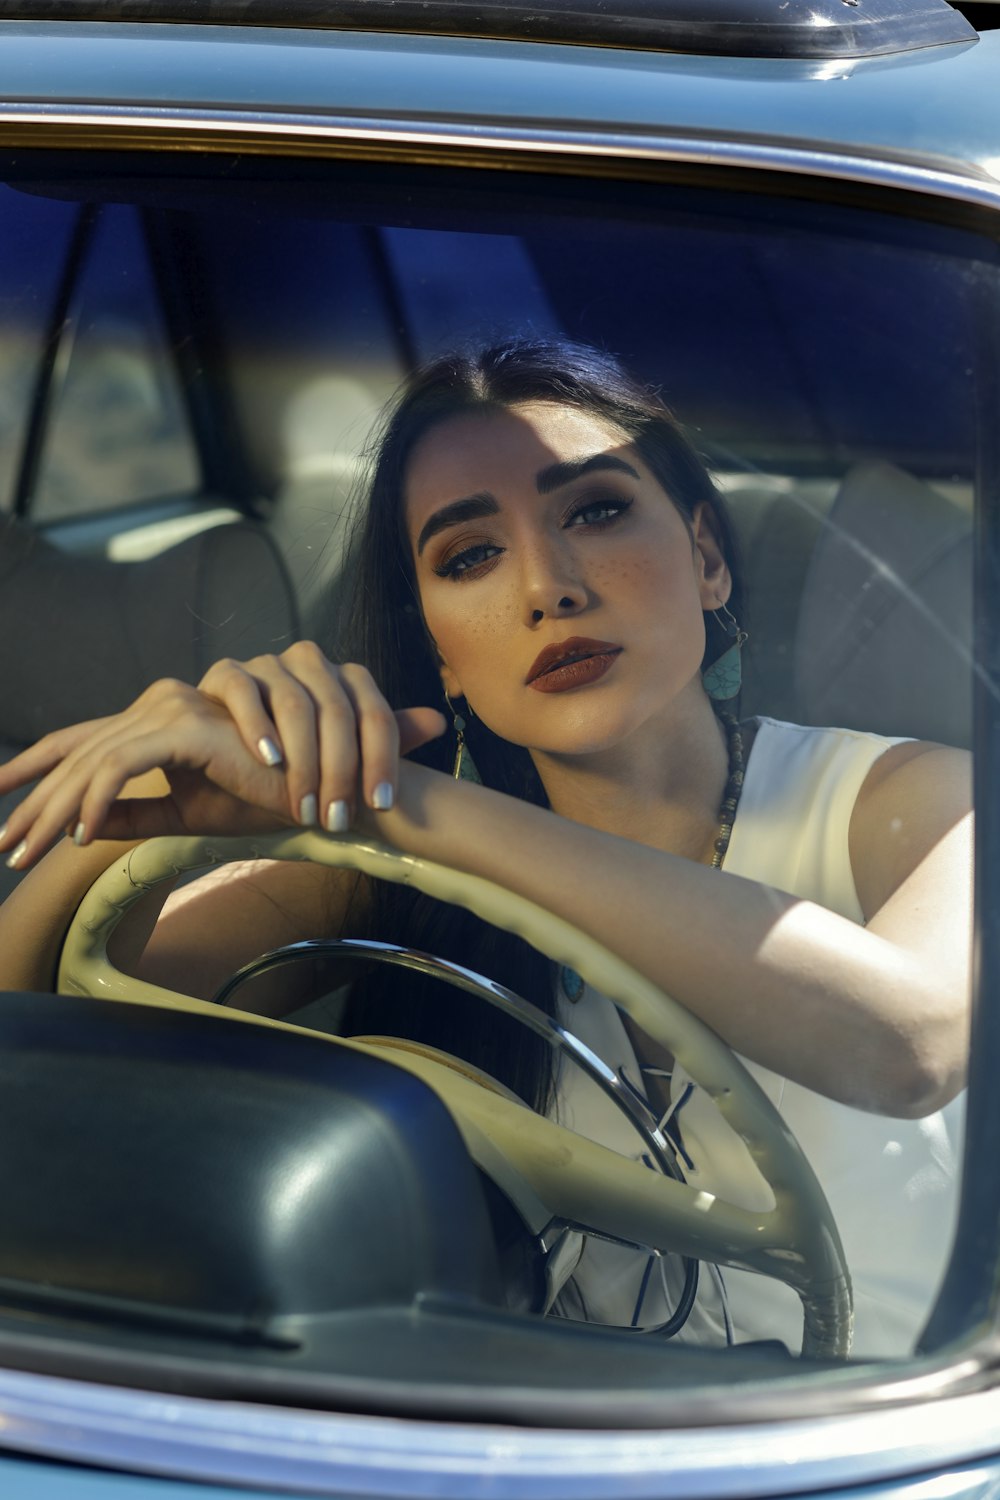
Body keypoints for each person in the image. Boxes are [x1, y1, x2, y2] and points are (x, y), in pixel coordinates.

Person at [0, 339, 971, 1358]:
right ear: (443, 660)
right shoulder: (393, 871)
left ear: (706, 557)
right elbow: (32, 1060)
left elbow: (905, 1047)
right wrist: (131, 808)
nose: (547, 587)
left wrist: (400, 803)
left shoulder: (914, 797)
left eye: (594, 511)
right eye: (469, 558)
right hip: (525, 1443)